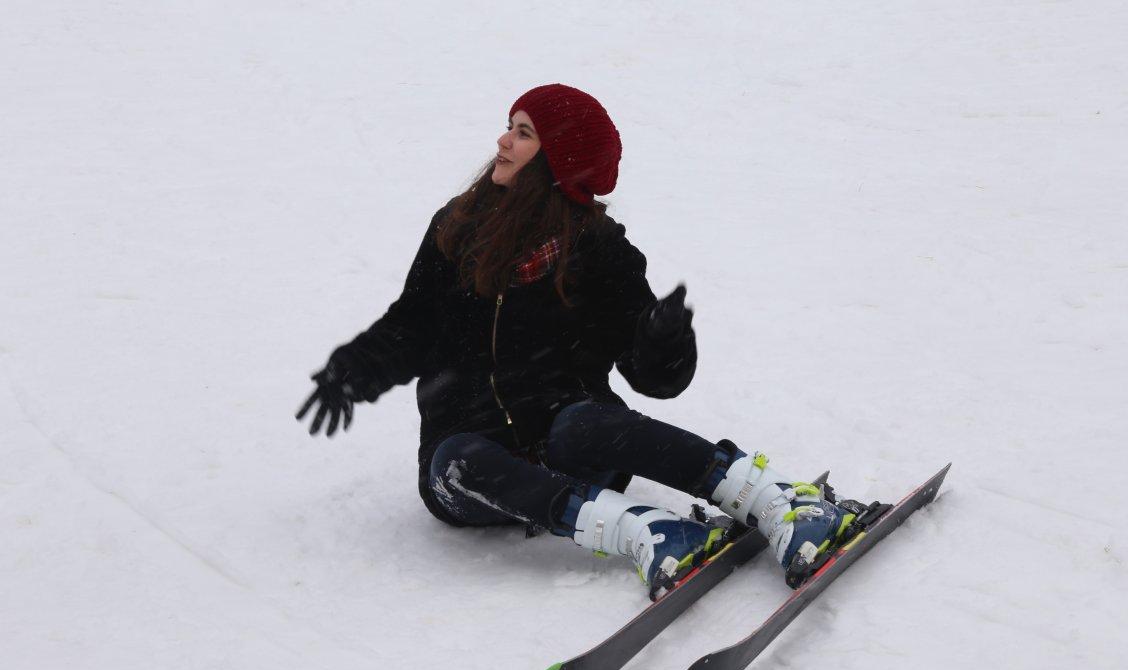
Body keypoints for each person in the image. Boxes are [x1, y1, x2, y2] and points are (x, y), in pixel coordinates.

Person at [296, 83, 868, 597]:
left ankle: (776, 502)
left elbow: (654, 379)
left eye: (522, 134)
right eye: (510, 126)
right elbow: (412, 323)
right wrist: (354, 370)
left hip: (566, 440)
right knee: (455, 461)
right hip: (473, 465)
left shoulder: (597, 252)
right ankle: (647, 530)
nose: (502, 141)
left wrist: (662, 339)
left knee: (583, 421)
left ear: (556, 161)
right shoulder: (457, 229)